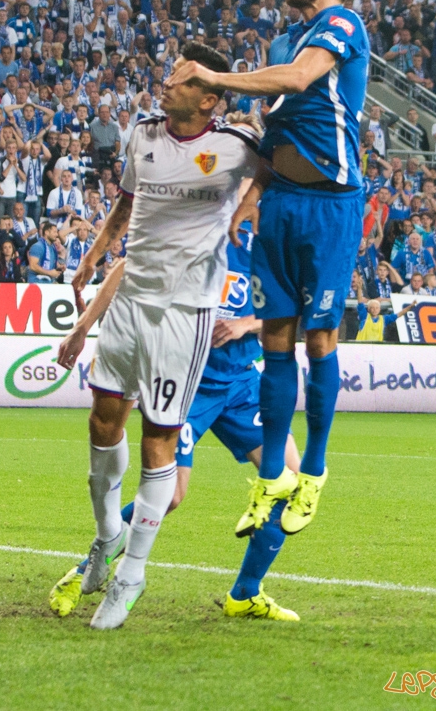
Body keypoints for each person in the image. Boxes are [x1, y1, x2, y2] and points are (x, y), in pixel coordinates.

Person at [166, 0, 367, 539]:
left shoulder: (342, 23)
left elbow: (302, 80)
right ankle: (272, 477)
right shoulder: (281, 41)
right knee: (276, 339)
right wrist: (252, 197)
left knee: (319, 338)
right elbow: (273, 133)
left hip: (330, 204)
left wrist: (214, 74)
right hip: (280, 203)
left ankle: (314, 470)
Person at [56, 43, 260, 629]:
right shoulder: (141, 134)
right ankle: (106, 539)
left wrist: (240, 213)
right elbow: (124, 203)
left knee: (158, 440)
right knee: (102, 420)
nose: (166, 83)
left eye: (181, 78)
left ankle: (133, 574)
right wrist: (94, 256)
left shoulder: (236, 148)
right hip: (130, 301)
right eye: (170, 73)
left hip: (185, 311)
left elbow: (283, 174)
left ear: (209, 98)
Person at [50, 216, 303, 623]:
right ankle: (84, 572)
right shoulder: (195, 228)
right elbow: (128, 267)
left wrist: (246, 324)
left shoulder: (268, 247)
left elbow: (288, 309)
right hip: (188, 379)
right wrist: (83, 326)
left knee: (290, 482)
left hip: (241, 384)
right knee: (170, 495)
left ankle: (245, 593)